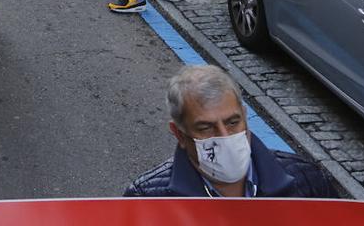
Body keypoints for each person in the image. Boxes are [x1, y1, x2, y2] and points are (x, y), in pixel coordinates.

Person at [126, 65, 333, 198]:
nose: (225, 137)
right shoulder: (147, 198)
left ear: (244, 115)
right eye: (206, 127)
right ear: (179, 133)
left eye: (233, 122)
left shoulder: (307, 180)